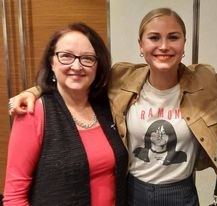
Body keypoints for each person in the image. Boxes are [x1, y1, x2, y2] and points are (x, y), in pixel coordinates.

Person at [7, 8, 217, 206]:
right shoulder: (122, 77)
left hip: (181, 194)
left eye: (173, 37)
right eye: (153, 37)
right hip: (133, 191)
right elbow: (77, 75)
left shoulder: (207, 80)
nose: (163, 45)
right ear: (141, 46)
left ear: (183, 46)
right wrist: (36, 89)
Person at [3, 23, 128, 206]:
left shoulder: (108, 106)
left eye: (87, 58)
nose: (77, 66)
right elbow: (14, 197)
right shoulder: (33, 112)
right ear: (51, 62)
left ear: (97, 65)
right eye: (66, 56)